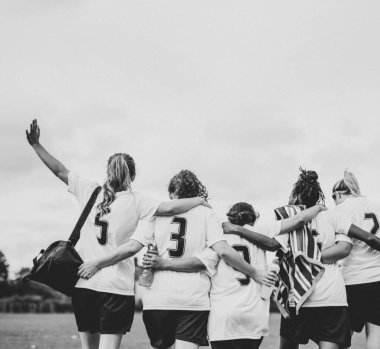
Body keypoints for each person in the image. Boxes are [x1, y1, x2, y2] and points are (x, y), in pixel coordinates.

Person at [26, 119, 211, 349]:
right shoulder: (137, 201)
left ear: (107, 172)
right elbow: (171, 208)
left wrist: (36, 145)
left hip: (84, 284)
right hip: (116, 288)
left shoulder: (89, 190)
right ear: (132, 177)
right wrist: (199, 200)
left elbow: (59, 170)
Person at [78, 170, 281, 349]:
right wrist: (254, 272)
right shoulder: (206, 213)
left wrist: (98, 262)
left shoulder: (156, 213)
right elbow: (223, 251)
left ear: (173, 193)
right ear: (196, 191)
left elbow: (132, 247)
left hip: (157, 301)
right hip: (193, 301)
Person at [144, 201, 327, 349]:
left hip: (222, 317)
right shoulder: (260, 231)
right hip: (253, 316)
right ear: (253, 219)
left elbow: (198, 262)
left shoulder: (218, 239)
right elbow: (299, 219)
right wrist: (318, 206)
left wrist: (163, 263)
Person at [223, 169, 365, 349]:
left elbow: (274, 245)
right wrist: (314, 257)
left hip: (296, 295)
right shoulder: (334, 215)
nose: (289, 200)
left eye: (291, 196)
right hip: (331, 296)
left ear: (297, 197)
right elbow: (345, 248)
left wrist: (302, 255)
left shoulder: (287, 219)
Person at [332, 170, 380, 349]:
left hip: (352, 280)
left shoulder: (340, 210)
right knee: (375, 338)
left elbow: (342, 248)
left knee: (340, 342)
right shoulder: (377, 204)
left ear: (337, 194)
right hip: (378, 278)